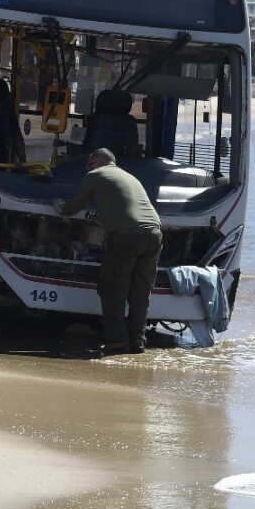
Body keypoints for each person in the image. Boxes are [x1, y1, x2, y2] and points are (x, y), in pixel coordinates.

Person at [57, 148, 162, 355]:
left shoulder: (95, 175)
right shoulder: (130, 177)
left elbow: (72, 207)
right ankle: (137, 339)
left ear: (97, 162)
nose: (88, 169)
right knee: (140, 292)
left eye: (89, 164)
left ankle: (117, 341)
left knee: (113, 289)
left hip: (125, 236)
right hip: (155, 234)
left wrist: (60, 205)